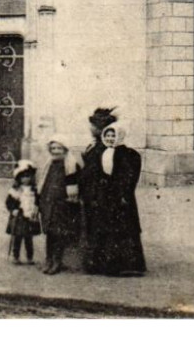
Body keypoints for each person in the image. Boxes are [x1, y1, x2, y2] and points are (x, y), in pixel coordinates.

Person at [85, 123, 146, 277]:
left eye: (113, 136)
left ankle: (126, 265)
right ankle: (101, 264)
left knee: (123, 229)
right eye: (107, 136)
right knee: (103, 227)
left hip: (120, 197)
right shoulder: (96, 152)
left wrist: (123, 193)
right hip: (103, 196)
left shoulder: (129, 154)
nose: (110, 139)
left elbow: (130, 177)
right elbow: (91, 173)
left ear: (119, 136)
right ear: (103, 137)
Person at [79, 106, 118, 272]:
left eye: (93, 126)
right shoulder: (94, 146)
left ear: (100, 129)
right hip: (90, 192)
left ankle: (98, 262)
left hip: (98, 194)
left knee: (98, 227)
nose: (90, 129)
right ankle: (94, 260)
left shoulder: (102, 149)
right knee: (92, 226)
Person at [37, 134, 81, 275]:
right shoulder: (48, 164)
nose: (55, 151)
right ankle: (48, 259)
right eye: (53, 148)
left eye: (59, 148)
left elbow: (76, 186)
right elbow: (43, 185)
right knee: (49, 232)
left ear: (65, 149)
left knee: (59, 233)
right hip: (47, 203)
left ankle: (57, 261)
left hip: (63, 205)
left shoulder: (71, 165)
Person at [5, 159, 40, 265]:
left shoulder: (34, 190)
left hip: (30, 216)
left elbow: (38, 201)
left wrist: (36, 208)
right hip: (19, 216)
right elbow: (9, 202)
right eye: (23, 177)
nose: (26, 179)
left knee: (29, 238)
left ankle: (30, 257)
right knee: (18, 237)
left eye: (28, 176)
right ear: (18, 178)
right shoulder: (16, 190)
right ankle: (16, 256)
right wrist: (13, 209)